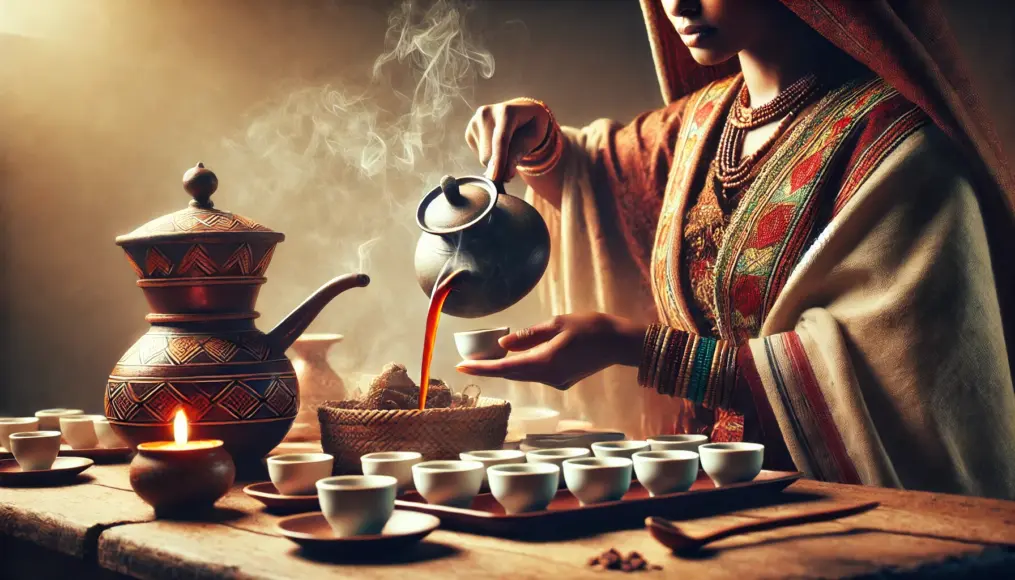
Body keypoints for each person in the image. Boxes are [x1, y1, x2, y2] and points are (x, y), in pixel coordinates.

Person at [455, 0, 1015, 499]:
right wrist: (540, 143)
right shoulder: (701, 124)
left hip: (835, 514)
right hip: (695, 499)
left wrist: (636, 347)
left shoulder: (899, 151)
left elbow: (888, 383)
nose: (678, 5)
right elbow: (599, 178)